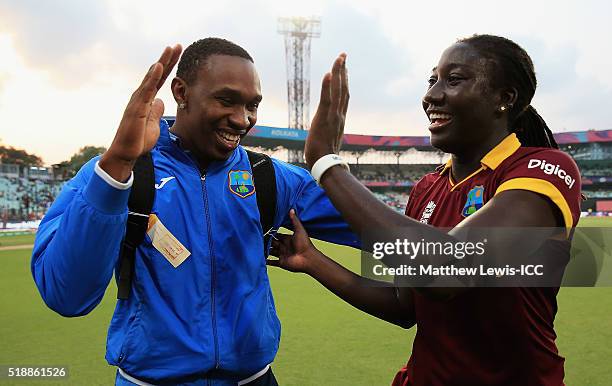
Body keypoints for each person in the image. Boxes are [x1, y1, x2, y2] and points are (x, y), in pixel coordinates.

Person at [31, 38, 359, 386]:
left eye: (253, 105)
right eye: (226, 100)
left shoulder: (271, 178)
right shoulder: (114, 175)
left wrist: (328, 165)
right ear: (181, 91)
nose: (242, 119)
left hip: (254, 380)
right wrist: (117, 169)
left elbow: (389, 240)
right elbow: (66, 297)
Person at [268, 35, 582, 385]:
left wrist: (327, 165)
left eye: (454, 79)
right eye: (432, 80)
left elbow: (446, 270)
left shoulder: (545, 169)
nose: (431, 95)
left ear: (504, 98)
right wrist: (313, 261)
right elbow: (405, 306)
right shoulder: (426, 189)